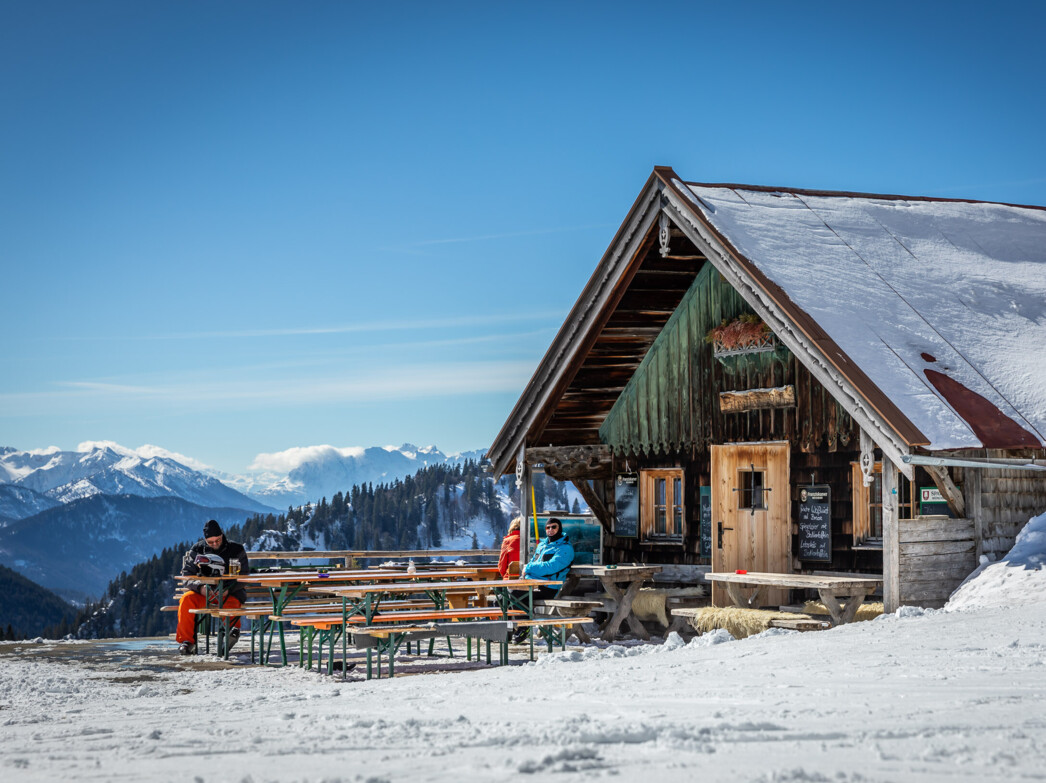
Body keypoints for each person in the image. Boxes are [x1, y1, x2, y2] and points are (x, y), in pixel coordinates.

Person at [176, 520, 250, 655]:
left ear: (222, 535)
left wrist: (229, 589)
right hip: (204, 593)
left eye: (218, 540)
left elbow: (244, 576)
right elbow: (187, 576)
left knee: (233, 603)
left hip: (228, 593)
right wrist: (200, 588)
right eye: (211, 542)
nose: (215, 544)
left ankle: (231, 634)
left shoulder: (236, 549)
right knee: (186, 601)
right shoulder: (197, 550)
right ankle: (187, 642)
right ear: (205, 540)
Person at [521, 517, 575, 599]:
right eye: (548, 527)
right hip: (531, 582)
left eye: (554, 527)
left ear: (559, 528)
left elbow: (551, 567)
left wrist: (528, 568)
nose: (550, 529)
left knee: (513, 596)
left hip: (548, 587)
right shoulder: (542, 546)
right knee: (502, 597)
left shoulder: (565, 548)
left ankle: (525, 611)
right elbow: (533, 561)